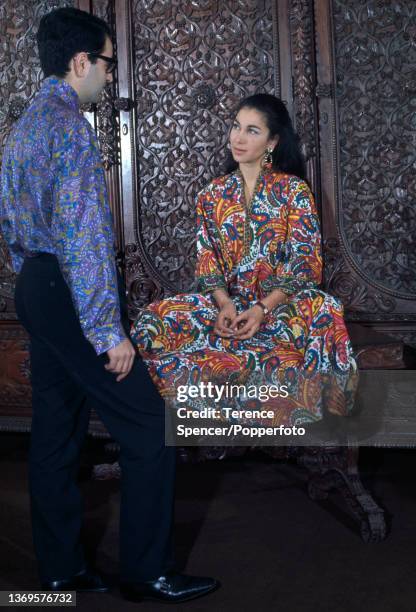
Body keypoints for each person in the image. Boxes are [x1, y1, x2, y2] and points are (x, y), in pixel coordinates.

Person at [0, 7, 219, 604]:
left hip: (37, 287)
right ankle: (150, 572)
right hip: (70, 292)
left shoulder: (24, 124)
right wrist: (105, 330)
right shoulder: (70, 127)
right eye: (106, 63)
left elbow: (18, 223)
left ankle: (60, 572)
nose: (108, 75)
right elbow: (84, 236)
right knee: (149, 425)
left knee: (56, 431)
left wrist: (44, 293)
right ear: (80, 63)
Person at [131, 94, 358, 429]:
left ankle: (299, 401)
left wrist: (263, 308)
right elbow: (207, 260)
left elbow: (305, 263)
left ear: (273, 141)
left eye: (252, 130)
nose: (238, 137)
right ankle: (156, 421)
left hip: (282, 305)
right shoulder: (212, 194)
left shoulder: (293, 191)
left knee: (324, 309)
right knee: (154, 320)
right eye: (236, 126)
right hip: (230, 306)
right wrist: (224, 304)